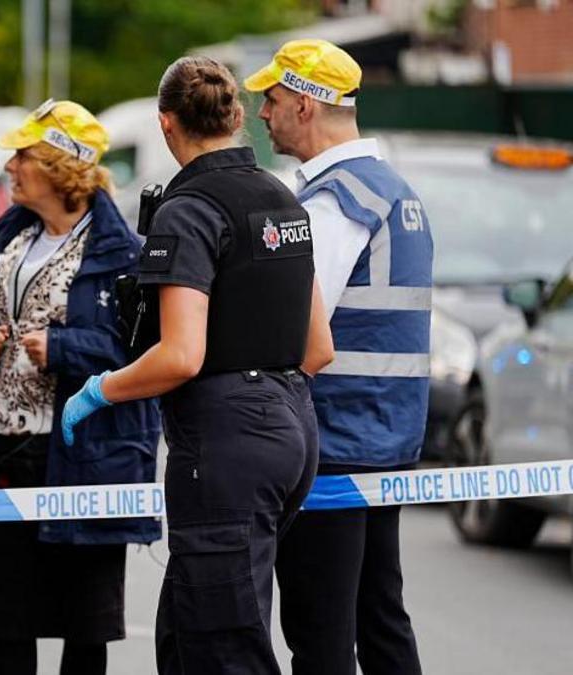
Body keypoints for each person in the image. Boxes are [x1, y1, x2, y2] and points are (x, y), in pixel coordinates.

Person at [60, 57, 335, 674]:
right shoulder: (282, 197)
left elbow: (181, 355)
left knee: (224, 648)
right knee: (186, 635)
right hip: (292, 427)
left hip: (227, 440)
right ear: (238, 117)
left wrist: (101, 390)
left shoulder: (187, 210)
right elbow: (318, 348)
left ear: (166, 124)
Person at [0, 100, 162, 675]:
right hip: (11, 450)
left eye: (23, 155)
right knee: (10, 622)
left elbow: (146, 354)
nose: (10, 166)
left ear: (61, 166)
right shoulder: (8, 240)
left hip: (90, 460)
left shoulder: (123, 254)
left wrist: (63, 349)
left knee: (87, 627)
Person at [244, 39, 433, 675]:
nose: (262, 115)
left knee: (320, 630)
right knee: (379, 616)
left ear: (305, 104)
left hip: (336, 443)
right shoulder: (392, 191)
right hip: (385, 438)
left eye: (271, 100)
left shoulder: (335, 202)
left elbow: (293, 330)